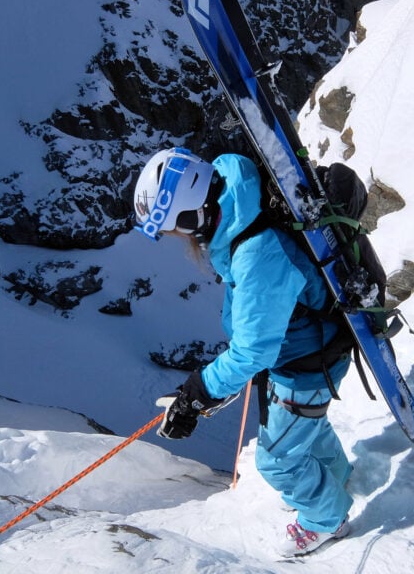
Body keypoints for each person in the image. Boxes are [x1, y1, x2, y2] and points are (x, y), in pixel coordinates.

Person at [133, 147, 354, 557]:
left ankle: (327, 518)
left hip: (306, 361)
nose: (178, 241)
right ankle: (336, 479)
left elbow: (253, 351)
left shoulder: (256, 255)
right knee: (307, 428)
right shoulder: (237, 202)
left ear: (192, 217)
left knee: (277, 461)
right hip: (307, 347)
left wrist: (196, 393)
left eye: (174, 230)